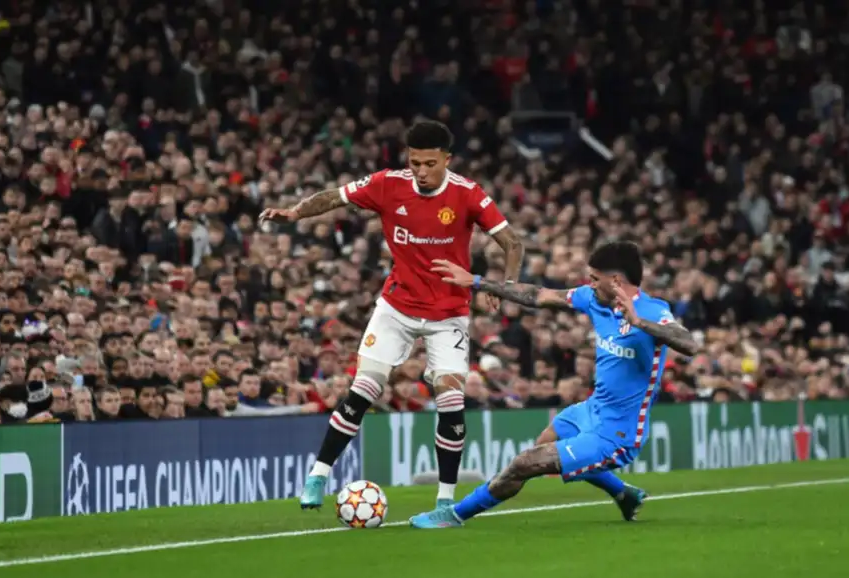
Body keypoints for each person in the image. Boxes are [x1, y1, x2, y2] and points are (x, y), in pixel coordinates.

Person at [259, 120, 524, 511]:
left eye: (430, 163)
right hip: (397, 307)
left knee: (451, 400)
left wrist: (504, 287)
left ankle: (445, 502)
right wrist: (295, 214)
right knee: (364, 389)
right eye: (415, 162)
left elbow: (512, 243)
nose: (421, 171)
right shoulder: (388, 183)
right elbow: (335, 197)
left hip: (449, 313)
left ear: (447, 160)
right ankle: (317, 476)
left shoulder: (468, 193)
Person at [409, 241, 702, 528]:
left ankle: (454, 515)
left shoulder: (652, 311)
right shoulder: (594, 299)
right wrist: (478, 282)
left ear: (615, 281)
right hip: (592, 409)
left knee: (525, 463)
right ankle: (623, 493)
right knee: (545, 442)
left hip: (618, 433)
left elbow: (688, 343)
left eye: (594, 278)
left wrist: (638, 323)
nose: (589, 284)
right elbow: (538, 295)